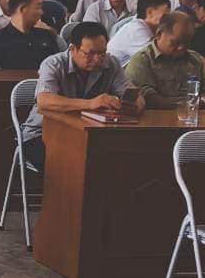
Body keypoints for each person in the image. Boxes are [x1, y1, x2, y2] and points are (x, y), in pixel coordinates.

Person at [25, 21, 141, 168]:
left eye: (102, 53)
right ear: (73, 49)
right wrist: (90, 104)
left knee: (122, 157)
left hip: (90, 135)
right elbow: (44, 101)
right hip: (42, 133)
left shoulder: (111, 63)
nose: (97, 59)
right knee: (72, 161)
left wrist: (132, 105)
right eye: (90, 54)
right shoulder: (53, 64)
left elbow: (135, 96)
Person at [123, 12, 205, 109]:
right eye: (175, 43)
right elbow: (149, 99)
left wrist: (203, 101)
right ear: (159, 34)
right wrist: (185, 105)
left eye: (186, 43)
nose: (181, 48)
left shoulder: (195, 59)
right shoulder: (142, 61)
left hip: (192, 115)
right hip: (157, 116)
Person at [109, 0, 170, 64]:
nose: (168, 19)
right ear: (150, 12)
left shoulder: (146, 27)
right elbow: (156, 58)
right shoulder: (137, 29)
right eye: (165, 15)